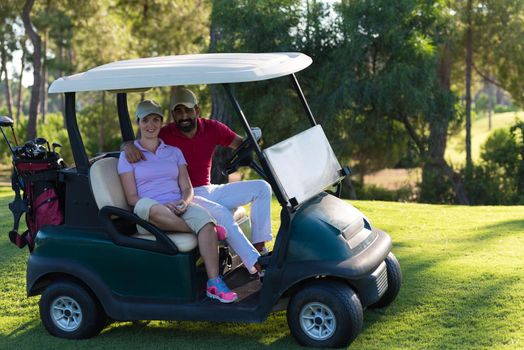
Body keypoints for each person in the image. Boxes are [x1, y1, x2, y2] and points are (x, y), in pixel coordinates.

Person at [118, 100, 248, 303]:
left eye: (155, 120)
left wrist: (185, 203)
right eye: (145, 120)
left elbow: (187, 188)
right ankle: (202, 230)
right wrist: (162, 206)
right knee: (150, 207)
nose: (150, 125)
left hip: (177, 206)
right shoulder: (129, 155)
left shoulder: (174, 152)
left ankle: (214, 283)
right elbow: (132, 198)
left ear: (162, 122)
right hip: (149, 214)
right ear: (138, 122)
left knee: (205, 220)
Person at [123, 87, 272, 254]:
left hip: (209, 190)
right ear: (173, 115)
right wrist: (126, 145)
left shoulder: (213, 128)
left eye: (188, 110)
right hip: (187, 196)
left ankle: (260, 248)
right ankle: (255, 262)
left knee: (262, 188)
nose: (184, 116)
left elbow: (240, 144)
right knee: (222, 214)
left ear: (197, 110)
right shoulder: (165, 134)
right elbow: (141, 142)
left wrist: (252, 143)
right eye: (178, 112)